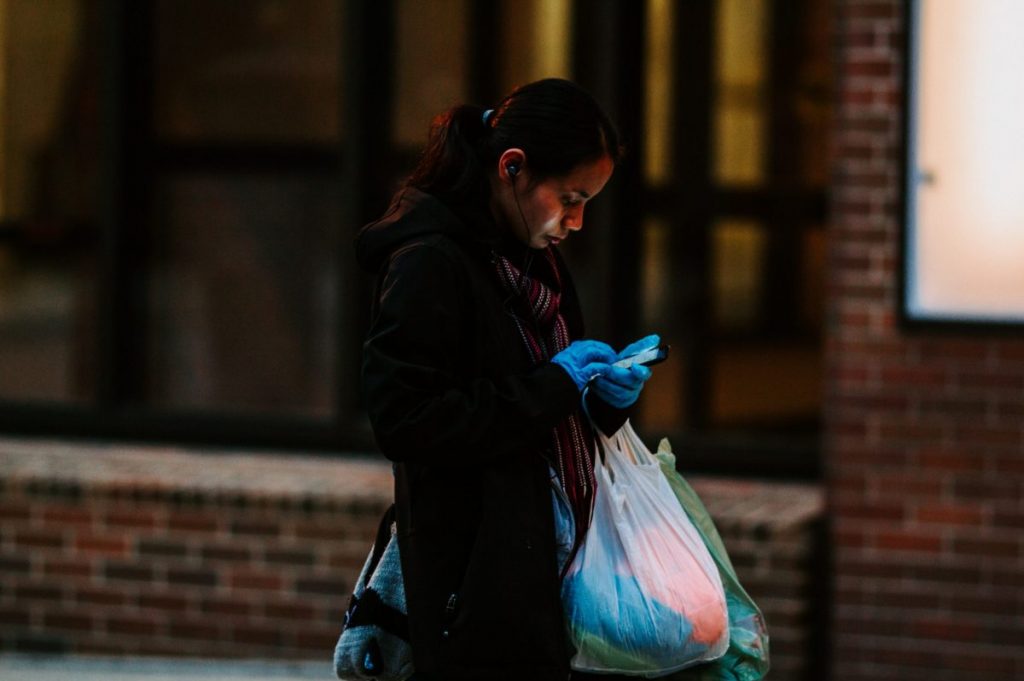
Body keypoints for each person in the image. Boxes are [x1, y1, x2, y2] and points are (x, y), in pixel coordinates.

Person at [357, 78, 658, 681]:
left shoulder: (531, 253)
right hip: (474, 588)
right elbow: (406, 419)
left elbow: (541, 404)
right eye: (570, 197)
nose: (576, 221)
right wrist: (554, 385)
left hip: (548, 575)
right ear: (512, 167)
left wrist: (601, 401)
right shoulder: (428, 261)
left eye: (588, 202)